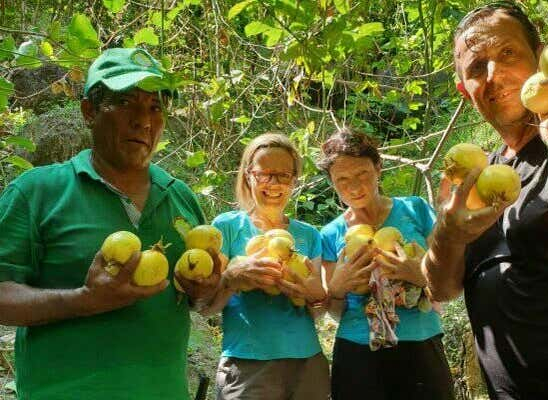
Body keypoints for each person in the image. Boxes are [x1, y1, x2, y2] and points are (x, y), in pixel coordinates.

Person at [0, 48, 220, 399]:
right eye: (126, 103)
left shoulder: (181, 197)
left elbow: (203, 304)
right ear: (89, 111)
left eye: (155, 107)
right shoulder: (36, 192)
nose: (143, 120)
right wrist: (82, 300)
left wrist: (205, 291)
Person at [422, 2, 548, 399]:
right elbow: (441, 289)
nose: (493, 75)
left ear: (539, 57)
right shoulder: (478, 178)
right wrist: (448, 237)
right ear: (464, 90)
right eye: (475, 68)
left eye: (507, 54)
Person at [318, 127, 454, 400]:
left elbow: (449, 283)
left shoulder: (415, 209)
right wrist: (337, 287)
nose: (354, 187)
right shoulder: (330, 234)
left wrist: (421, 274)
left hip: (421, 343)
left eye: (362, 174)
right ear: (332, 183)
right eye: (342, 180)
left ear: (378, 169)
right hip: (358, 351)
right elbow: (334, 310)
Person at [203, 133, 330, 400]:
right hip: (247, 364)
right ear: (248, 176)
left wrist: (310, 294)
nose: (274, 183)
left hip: (308, 363)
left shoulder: (309, 235)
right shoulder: (226, 227)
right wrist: (230, 278)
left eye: (284, 175)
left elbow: (317, 310)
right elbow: (205, 307)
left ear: (294, 181)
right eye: (265, 174)